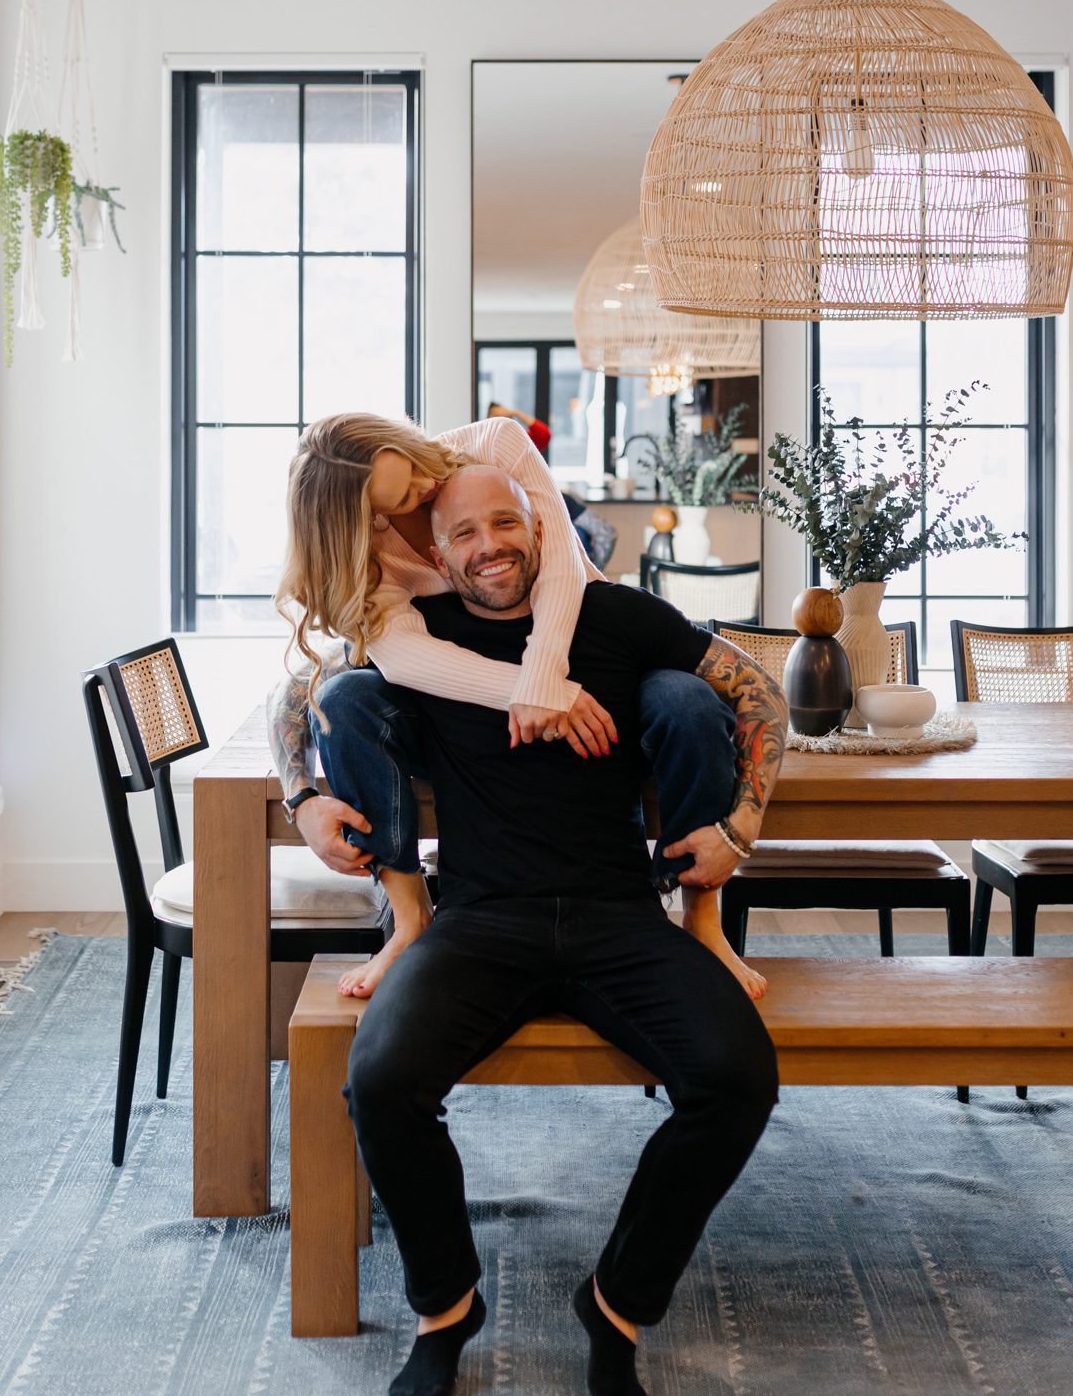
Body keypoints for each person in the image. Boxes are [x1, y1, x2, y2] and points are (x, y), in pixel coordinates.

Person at [322, 465, 785, 1396]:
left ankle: (615, 1305)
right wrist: (303, 798)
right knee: (378, 1081)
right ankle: (445, 1309)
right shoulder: (421, 635)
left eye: (506, 520)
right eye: (463, 533)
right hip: (481, 920)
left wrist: (736, 828)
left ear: (540, 527)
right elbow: (309, 699)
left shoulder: (616, 616)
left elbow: (756, 694)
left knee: (737, 1079)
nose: (488, 544)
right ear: (435, 553)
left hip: (619, 913)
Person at [269, 412, 768, 1000]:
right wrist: (300, 798)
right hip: (471, 714)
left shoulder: (492, 444)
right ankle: (409, 922)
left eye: (409, 473)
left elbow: (561, 568)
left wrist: (547, 680)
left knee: (687, 699)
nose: (422, 490)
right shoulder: (369, 549)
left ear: (400, 443)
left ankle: (703, 923)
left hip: (577, 671)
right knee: (345, 696)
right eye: (397, 501)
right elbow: (382, 665)